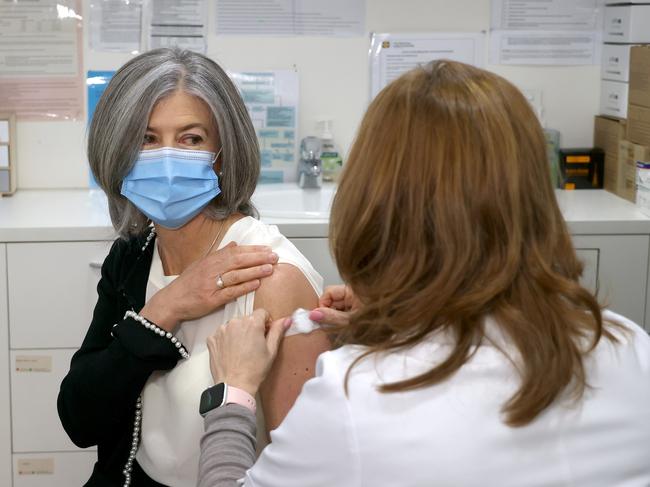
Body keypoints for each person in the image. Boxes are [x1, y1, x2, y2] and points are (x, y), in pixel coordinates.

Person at [197, 60, 650, 486]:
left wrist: (232, 391)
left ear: (372, 206)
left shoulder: (357, 400)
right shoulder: (630, 347)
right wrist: (411, 320)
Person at [57, 48, 330, 487]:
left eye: (191, 139)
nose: (166, 160)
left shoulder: (272, 277)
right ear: (118, 150)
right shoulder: (133, 254)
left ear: (222, 153)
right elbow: (79, 418)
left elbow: (302, 471)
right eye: (146, 139)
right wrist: (165, 309)